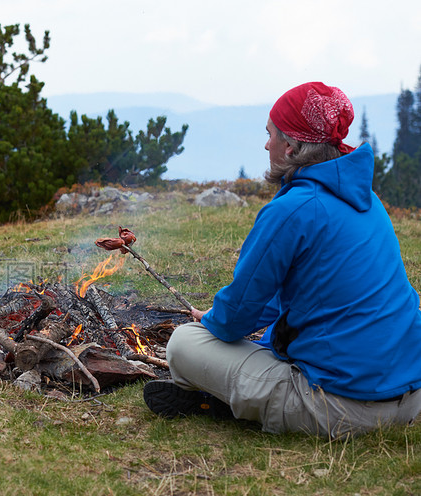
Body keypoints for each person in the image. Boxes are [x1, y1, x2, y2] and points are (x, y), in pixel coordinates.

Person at [143, 81, 421, 438]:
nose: (266, 144)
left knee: (184, 344)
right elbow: (300, 290)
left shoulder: (291, 210)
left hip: (341, 407)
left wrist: (212, 321)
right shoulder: (368, 201)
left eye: (270, 134)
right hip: (410, 394)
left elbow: (234, 318)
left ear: (290, 147)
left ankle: (223, 404)